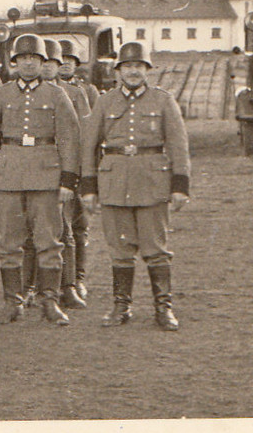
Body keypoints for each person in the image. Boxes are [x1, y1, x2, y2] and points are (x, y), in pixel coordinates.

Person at [80, 41, 190, 331]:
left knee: (156, 248)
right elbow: (89, 146)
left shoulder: (163, 100)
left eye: (138, 66)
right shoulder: (104, 102)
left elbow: (178, 145)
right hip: (114, 183)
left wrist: (180, 185)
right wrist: (88, 187)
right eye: (127, 66)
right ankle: (121, 306)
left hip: (152, 182)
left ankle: (163, 308)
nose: (133, 71)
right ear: (118, 71)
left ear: (147, 70)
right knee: (120, 249)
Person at [0, 33, 80, 326]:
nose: (28, 63)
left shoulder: (56, 95)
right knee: (9, 241)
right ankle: (12, 301)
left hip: (46, 175)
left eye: (34, 58)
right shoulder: (2, 93)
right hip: (8, 175)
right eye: (22, 58)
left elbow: (69, 139)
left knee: (49, 241)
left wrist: (67, 181)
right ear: (15, 62)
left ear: (43, 62)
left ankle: (50, 301)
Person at [59, 38, 97, 297]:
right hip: (49, 165)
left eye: (68, 62)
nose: (63, 67)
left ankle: (77, 277)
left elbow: (87, 132)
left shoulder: (83, 93)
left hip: (76, 165)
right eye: (59, 62)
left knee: (77, 224)